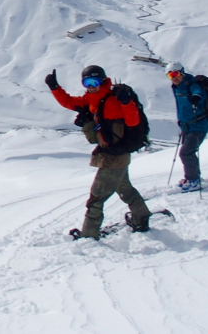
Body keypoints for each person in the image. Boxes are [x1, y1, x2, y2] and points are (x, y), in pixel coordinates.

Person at [45, 65, 151, 239]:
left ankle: (89, 235)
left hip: (114, 158)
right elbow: (70, 102)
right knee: (125, 188)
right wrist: (55, 88)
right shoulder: (92, 99)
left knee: (96, 199)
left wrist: (126, 102)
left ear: (102, 80)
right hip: (115, 156)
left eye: (94, 81)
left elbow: (132, 121)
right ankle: (142, 217)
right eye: (87, 82)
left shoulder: (113, 99)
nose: (91, 86)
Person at [165, 61, 208, 192]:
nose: (173, 78)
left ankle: (193, 180)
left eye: (175, 74)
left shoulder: (191, 85)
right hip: (186, 126)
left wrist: (196, 97)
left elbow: (197, 92)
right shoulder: (177, 87)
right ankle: (194, 177)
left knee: (185, 153)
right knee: (189, 152)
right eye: (170, 75)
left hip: (198, 126)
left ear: (182, 73)